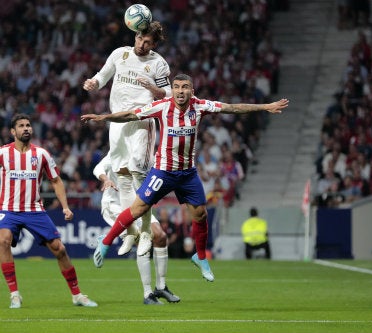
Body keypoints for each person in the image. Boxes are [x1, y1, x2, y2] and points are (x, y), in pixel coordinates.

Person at [82, 73, 289, 282]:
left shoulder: (200, 106)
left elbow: (232, 107)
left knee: (200, 214)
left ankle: (200, 257)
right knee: (138, 209)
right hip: (163, 171)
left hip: (188, 174)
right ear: (172, 89)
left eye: (185, 87)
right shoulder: (162, 106)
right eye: (177, 87)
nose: (180, 91)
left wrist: (265, 107)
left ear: (192, 90)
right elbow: (130, 115)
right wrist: (103, 118)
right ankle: (106, 241)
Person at [83, 21, 172, 257]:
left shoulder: (158, 63)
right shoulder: (119, 54)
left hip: (141, 121)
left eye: (149, 43)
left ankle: (145, 231)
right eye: (141, 39)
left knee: (137, 173)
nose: (143, 45)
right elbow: (102, 76)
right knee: (121, 174)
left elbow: (170, 94)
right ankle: (130, 231)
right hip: (116, 122)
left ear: (154, 45)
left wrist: (153, 89)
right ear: (135, 36)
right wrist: (93, 83)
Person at [0, 114, 97, 308]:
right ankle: (15, 295)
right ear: (13, 131)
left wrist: (65, 207)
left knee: (59, 249)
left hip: (34, 210)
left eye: (28, 125)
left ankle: (77, 295)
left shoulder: (42, 154)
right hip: (8, 209)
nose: (26, 128)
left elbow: (56, 180)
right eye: (21, 126)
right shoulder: (2, 153)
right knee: (3, 240)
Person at [93, 153, 180, 304]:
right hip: (115, 205)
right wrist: (106, 179)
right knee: (141, 241)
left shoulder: (147, 156)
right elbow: (98, 168)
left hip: (138, 205)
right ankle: (148, 294)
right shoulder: (118, 151)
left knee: (160, 236)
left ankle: (161, 287)